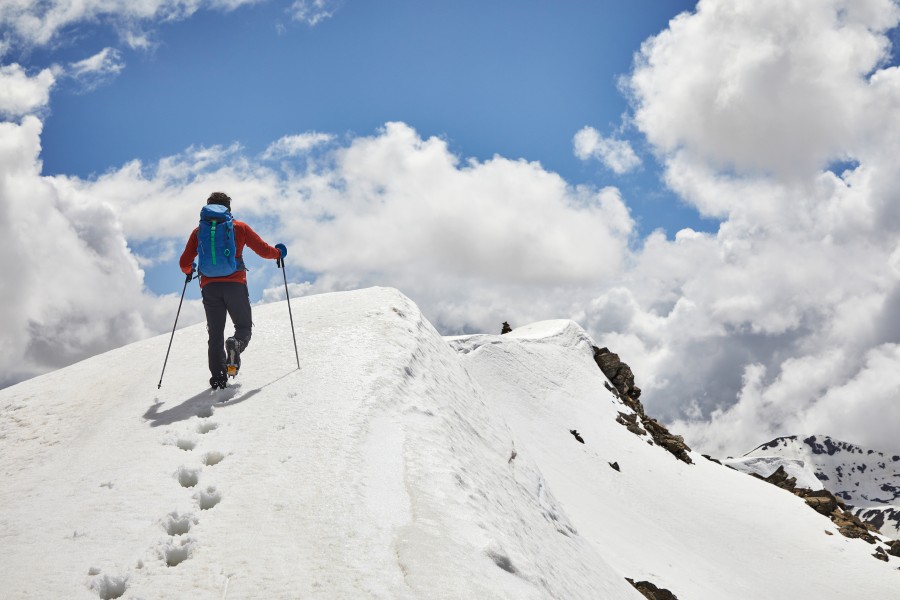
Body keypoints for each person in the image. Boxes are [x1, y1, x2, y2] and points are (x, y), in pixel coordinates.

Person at [179, 192, 286, 389]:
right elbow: (263, 250)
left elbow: (184, 262)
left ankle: (219, 378)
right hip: (235, 284)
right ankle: (236, 343)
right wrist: (279, 253)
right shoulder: (239, 228)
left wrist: (189, 270)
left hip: (209, 288)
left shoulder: (198, 232)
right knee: (243, 327)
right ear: (229, 208)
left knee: (215, 334)